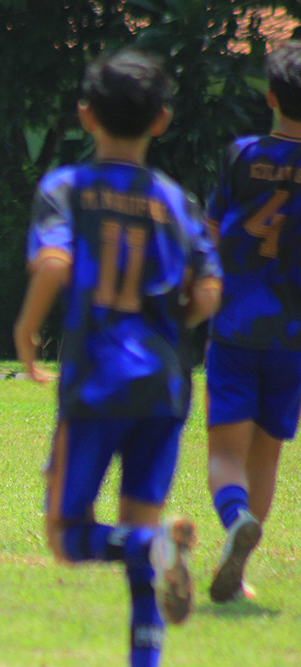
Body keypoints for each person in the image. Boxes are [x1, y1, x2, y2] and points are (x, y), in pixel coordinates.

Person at [13, 50, 222, 666]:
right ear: (161, 120)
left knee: (69, 537)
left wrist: (26, 332)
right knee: (139, 520)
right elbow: (209, 291)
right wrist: (168, 327)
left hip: (97, 382)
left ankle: (152, 547)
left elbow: (54, 261)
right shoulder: (175, 200)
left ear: (85, 115)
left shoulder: (67, 187)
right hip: (164, 384)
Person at [204, 40, 301, 604]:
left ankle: (235, 516)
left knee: (225, 455)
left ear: (270, 95)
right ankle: (237, 573)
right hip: (292, 338)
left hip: (237, 326)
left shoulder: (241, 155)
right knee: (267, 454)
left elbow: (212, 236)